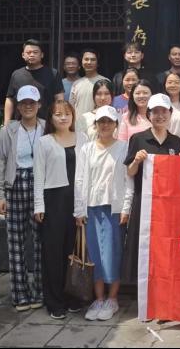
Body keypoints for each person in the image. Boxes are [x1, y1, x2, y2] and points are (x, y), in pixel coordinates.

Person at [74, 105, 132, 321]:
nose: (105, 125)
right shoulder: (86, 149)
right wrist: (79, 209)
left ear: (116, 124)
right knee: (95, 254)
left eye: (109, 121)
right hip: (91, 208)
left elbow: (129, 180)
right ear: (95, 125)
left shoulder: (124, 147)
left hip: (114, 209)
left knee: (113, 254)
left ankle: (112, 298)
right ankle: (98, 299)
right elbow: (79, 179)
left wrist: (126, 207)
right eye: (101, 122)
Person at [122, 94, 180, 285]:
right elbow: (130, 172)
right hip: (144, 202)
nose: (160, 116)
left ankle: (164, 288)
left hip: (168, 205)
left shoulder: (177, 142)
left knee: (164, 246)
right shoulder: (138, 139)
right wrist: (136, 161)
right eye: (155, 112)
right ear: (148, 114)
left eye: (164, 111)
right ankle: (143, 292)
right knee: (143, 246)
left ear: (170, 113)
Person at [0, 85, 45, 312]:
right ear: (18, 106)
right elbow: (0, 162)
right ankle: (20, 293)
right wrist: (0, 195)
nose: (28, 106)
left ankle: (39, 291)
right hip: (15, 186)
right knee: (15, 243)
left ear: (39, 104)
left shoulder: (46, 127)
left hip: (40, 187)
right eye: (24, 103)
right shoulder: (9, 130)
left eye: (32, 102)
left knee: (40, 241)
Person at [33, 100, 80, 319]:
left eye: (67, 113)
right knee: (53, 252)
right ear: (50, 118)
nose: (63, 117)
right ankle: (54, 301)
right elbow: (38, 175)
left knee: (72, 251)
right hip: (53, 201)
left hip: (77, 201)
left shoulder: (83, 138)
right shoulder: (44, 142)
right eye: (58, 114)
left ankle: (73, 296)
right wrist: (38, 205)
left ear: (73, 116)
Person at [5, 39, 64, 124]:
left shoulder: (53, 73)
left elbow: (59, 99)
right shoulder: (16, 75)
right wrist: (6, 123)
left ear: (42, 55)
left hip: (46, 123)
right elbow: (10, 99)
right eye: (28, 52)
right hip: (20, 124)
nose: (32, 55)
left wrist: (58, 120)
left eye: (35, 52)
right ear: (23, 55)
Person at [69, 49, 108, 117]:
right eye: (86, 59)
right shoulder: (76, 84)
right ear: (81, 62)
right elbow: (71, 108)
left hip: (98, 122)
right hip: (79, 122)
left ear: (98, 63)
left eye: (93, 60)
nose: (89, 62)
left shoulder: (105, 82)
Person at [76, 80, 115, 146]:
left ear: (112, 95)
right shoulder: (84, 118)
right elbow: (80, 144)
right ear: (93, 96)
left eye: (106, 94)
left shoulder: (119, 117)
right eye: (99, 94)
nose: (103, 98)